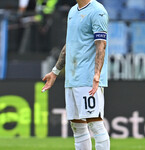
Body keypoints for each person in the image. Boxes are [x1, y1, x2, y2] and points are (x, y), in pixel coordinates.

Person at [42, 0, 110, 149]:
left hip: (88, 78)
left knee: (95, 125)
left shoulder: (98, 11)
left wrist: (97, 74)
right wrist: (55, 72)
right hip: (72, 78)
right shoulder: (73, 11)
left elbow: (101, 45)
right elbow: (71, 43)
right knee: (77, 127)